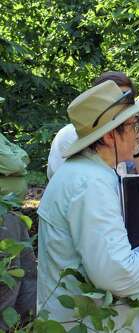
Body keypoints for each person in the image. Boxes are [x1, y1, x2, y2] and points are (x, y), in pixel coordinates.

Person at [37, 81, 139, 332]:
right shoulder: (90, 183)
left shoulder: (86, 173)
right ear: (109, 135)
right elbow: (117, 274)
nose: (138, 133)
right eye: (131, 126)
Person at [46, 71, 139, 179]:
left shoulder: (126, 132)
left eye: (129, 98)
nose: (124, 104)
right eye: (118, 98)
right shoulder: (68, 136)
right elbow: (66, 182)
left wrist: (135, 146)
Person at [0, 96, 36, 330]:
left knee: (28, 274)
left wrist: (17, 160)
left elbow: (22, 157)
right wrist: (16, 161)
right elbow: (15, 163)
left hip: (14, 214)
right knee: (8, 281)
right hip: (3, 217)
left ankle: (26, 325)